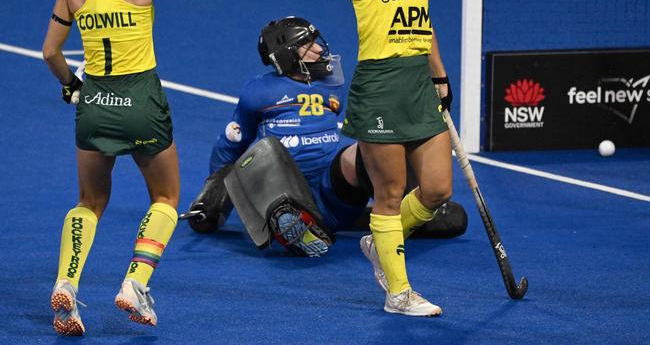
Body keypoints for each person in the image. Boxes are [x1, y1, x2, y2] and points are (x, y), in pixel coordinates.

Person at [42, 0, 224, 335]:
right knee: (165, 197)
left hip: (95, 105)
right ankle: (135, 283)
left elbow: (51, 53)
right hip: (141, 102)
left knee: (89, 203)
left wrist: (72, 85)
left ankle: (66, 284)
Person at [183, 17, 466, 258]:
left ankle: (398, 212)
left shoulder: (332, 82)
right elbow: (231, 144)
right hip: (285, 191)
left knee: (369, 148)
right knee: (265, 149)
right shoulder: (258, 91)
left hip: (335, 190)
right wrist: (214, 191)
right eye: (309, 45)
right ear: (285, 55)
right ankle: (295, 226)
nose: (320, 49)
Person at [312, 0, 454, 316]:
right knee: (389, 193)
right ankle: (398, 293)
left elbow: (424, 27)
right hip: (379, 89)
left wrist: (441, 78)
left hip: (418, 87)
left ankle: (381, 242)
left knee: (437, 189)